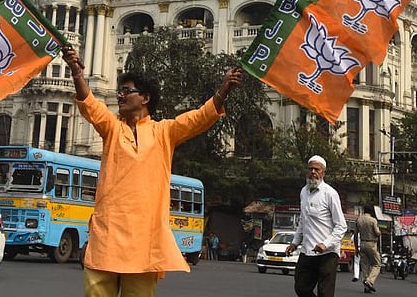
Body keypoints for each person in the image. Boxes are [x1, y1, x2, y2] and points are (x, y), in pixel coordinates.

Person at [61, 47, 243, 297]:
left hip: (145, 238)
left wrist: (224, 90)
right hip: (107, 234)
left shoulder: (164, 131)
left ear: (145, 98)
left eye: (127, 91)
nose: (120, 95)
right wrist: (76, 72)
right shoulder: (112, 127)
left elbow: (200, 117)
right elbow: (90, 104)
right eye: (120, 91)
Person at [286, 155, 347, 297]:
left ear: (323, 172)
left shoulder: (330, 194)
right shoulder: (304, 192)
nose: (313, 172)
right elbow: (303, 220)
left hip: (327, 253)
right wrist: (295, 243)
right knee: (301, 287)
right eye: (310, 169)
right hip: (308, 250)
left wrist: (325, 244)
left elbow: (341, 226)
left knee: (324, 293)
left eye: (316, 169)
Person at [356, 203, 382, 293]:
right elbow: (377, 232)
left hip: (362, 243)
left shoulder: (359, 220)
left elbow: (356, 235)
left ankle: (366, 288)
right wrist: (380, 232)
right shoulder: (373, 220)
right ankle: (369, 281)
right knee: (377, 264)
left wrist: (356, 248)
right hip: (371, 244)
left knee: (365, 266)